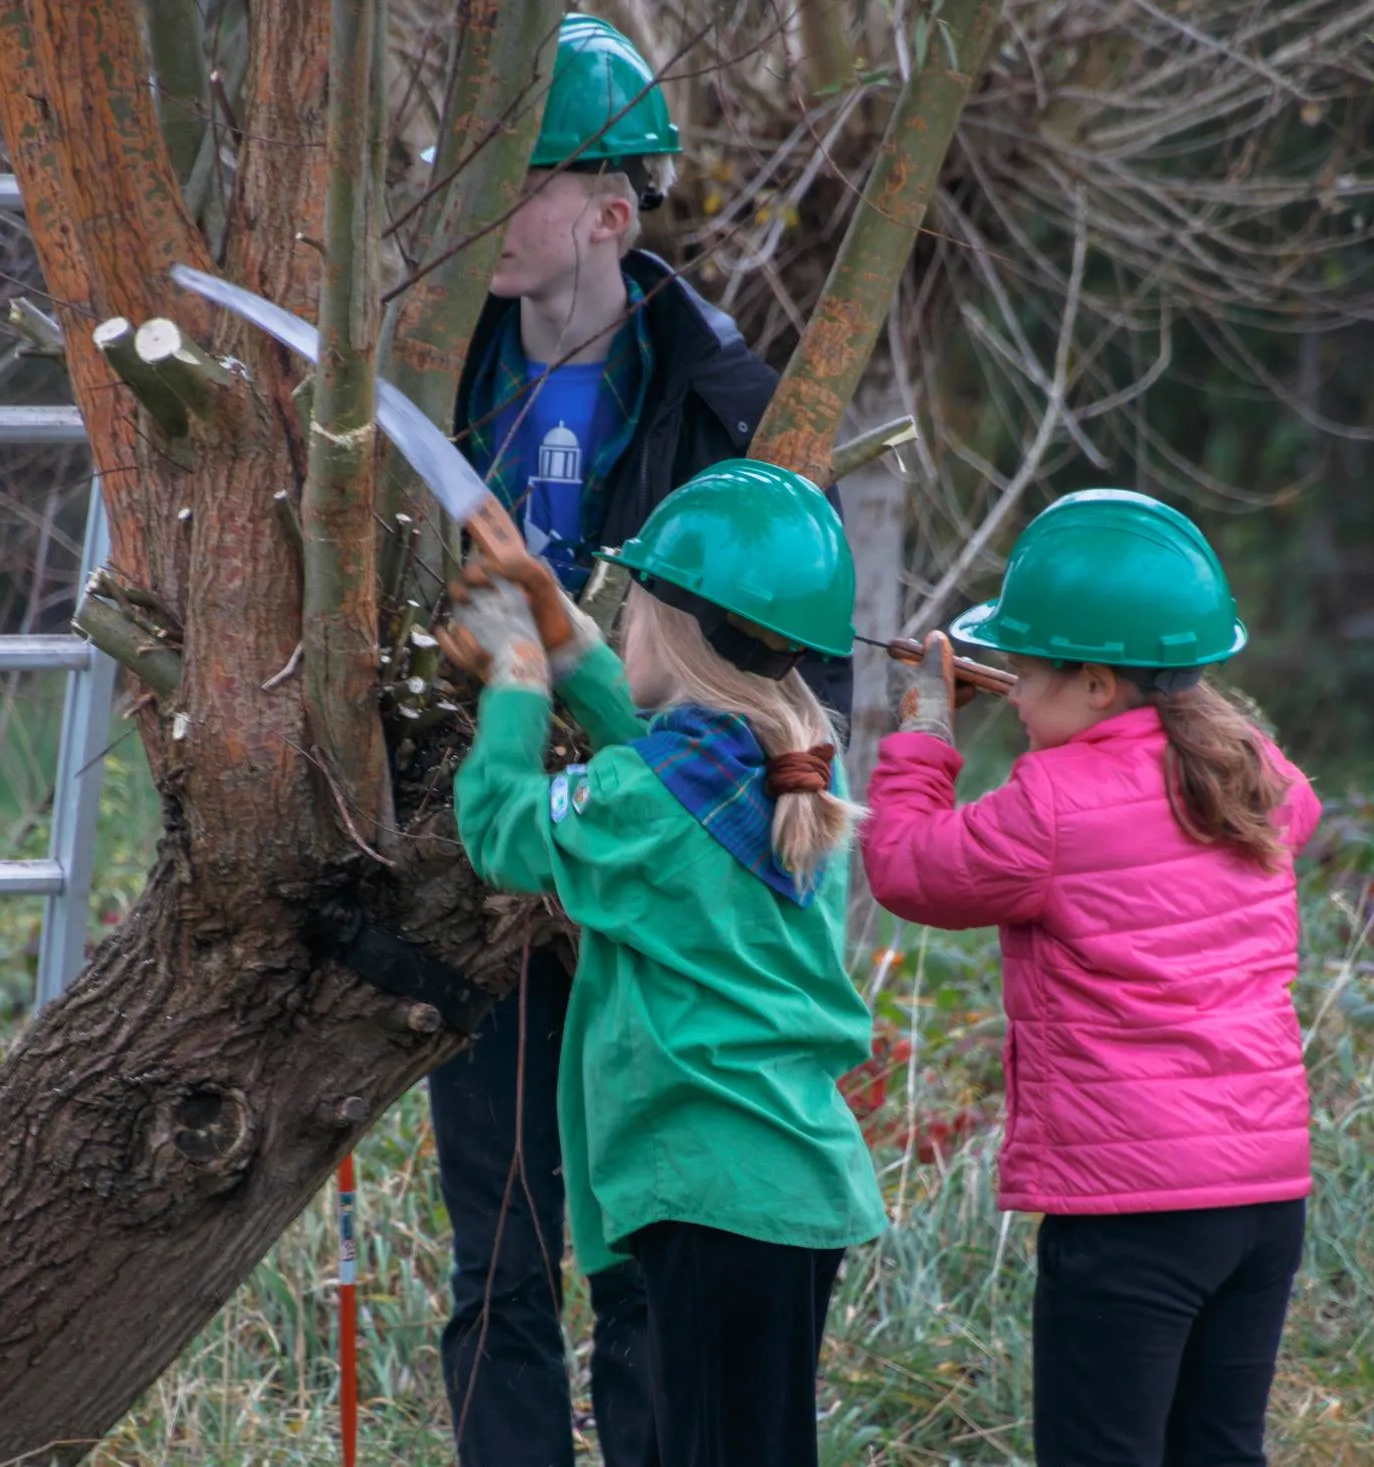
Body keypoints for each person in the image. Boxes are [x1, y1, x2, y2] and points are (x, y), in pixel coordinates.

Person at [428, 16, 851, 1465]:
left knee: (643, 1263)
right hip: (483, 883)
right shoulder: (430, 370)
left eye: (519, 181)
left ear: (611, 210)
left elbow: (782, 673)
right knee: (497, 1254)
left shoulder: (733, 405)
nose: (481, 212)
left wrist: (534, 674)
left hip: (640, 868)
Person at [859, 489, 1323, 1467]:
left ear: (1100, 684)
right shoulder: (1252, 771)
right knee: (1220, 1452)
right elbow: (1293, 806)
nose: (1015, 696)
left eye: (1025, 674)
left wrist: (927, 732)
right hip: (1262, 1197)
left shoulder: (1051, 804)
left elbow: (905, 867)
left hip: (1130, 1210)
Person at [444, 460, 887, 1467]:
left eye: (632, 609)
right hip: (789, 1184)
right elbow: (658, 769)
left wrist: (519, 675)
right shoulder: (795, 775)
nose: (625, 626)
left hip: (706, 1190)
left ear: (676, 630)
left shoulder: (649, 799)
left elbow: (501, 827)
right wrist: (571, 645)